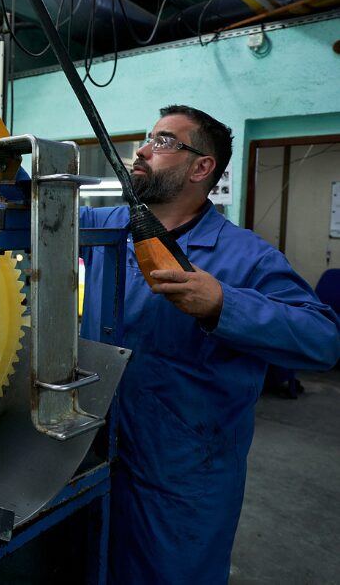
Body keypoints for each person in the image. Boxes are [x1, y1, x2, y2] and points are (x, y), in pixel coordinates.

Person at [79, 105, 340, 585]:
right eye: (146, 138)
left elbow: (324, 340)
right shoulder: (104, 226)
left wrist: (224, 304)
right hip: (92, 451)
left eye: (162, 142)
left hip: (182, 475)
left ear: (201, 167)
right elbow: (30, 213)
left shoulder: (246, 256)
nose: (141, 150)